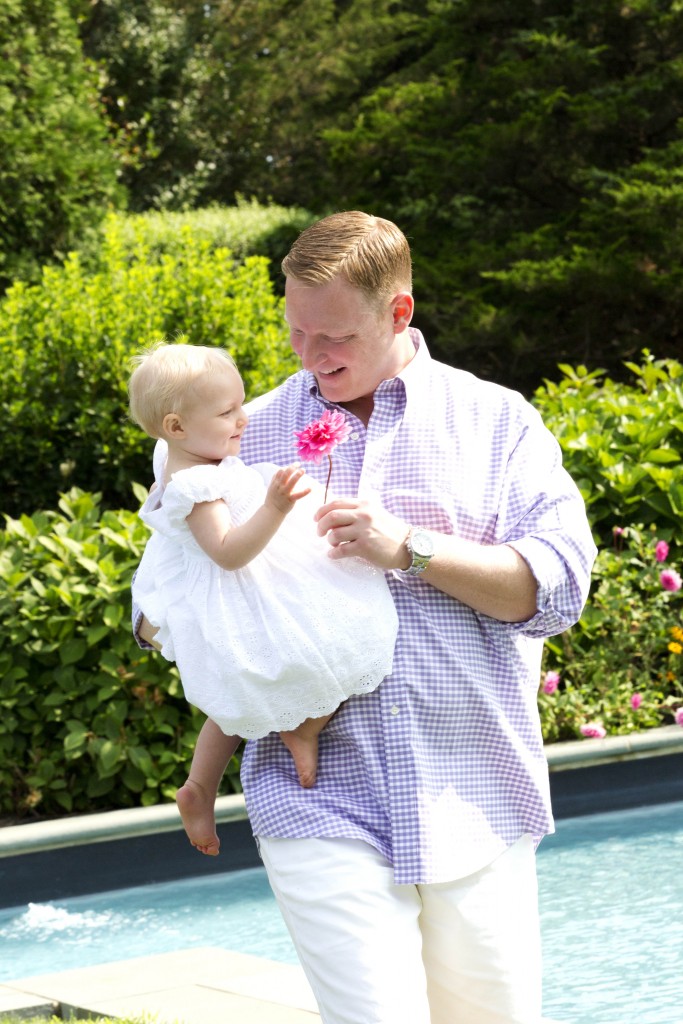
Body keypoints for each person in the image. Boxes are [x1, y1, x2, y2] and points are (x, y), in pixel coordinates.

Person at [135, 211, 597, 1024]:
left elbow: (555, 591)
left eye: (334, 338)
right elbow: (165, 574)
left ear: (398, 313)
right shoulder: (244, 431)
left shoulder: (496, 420)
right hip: (316, 792)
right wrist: (184, 626)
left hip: (477, 791)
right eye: (295, 333)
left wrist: (410, 548)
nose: (311, 359)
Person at [129, 342, 398, 856]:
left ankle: (277, 743)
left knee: (288, 671)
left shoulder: (186, 456)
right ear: (176, 427)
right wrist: (274, 507)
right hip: (236, 591)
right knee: (316, 656)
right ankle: (206, 785)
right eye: (227, 412)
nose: (243, 419)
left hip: (253, 583)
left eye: (241, 404)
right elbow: (229, 553)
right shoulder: (194, 486)